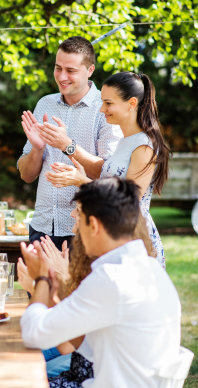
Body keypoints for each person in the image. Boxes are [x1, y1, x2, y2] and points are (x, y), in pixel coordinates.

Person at [19, 178, 181, 388]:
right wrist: (55, 297)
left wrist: (41, 279)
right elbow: (85, 345)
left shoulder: (111, 279)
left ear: (93, 225)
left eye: (79, 220)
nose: (75, 229)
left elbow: (32, 334)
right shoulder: (149, 269)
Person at [44, 72, 170, 267]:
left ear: (131, 103)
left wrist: (80, 180)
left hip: (133, 239)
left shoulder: (144, 144)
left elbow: (128, 200)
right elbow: (111, 180)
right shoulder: (125, 141)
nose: (102, 109)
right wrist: (72, 157)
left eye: (108, 103)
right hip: (115, 235)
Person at [18, 36, 123, 250]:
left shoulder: (105, 109)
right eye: (58, 68)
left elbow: (109, 175)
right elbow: (26, 175)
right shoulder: (45, 104)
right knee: (40, 285)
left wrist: (68, 146)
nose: (62, 77)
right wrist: (37, 149)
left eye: (71, 71)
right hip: (42, 228)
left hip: (86, 229)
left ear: (90, 70)